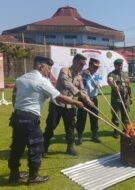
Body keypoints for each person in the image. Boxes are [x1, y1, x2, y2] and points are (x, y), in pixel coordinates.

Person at [8, 56, 84, 184]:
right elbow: (59, 97)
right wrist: (75, 103)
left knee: (17, 147)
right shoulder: (42, 81)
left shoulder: (21, 79)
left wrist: (18, 108)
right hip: (30, 119)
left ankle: (14, 175)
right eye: (48, 68)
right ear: (40, 66)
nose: (49, 71)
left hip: (16, 117)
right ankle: (33, 176)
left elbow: (14, 96)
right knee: (36, 146)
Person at [43, 54, 93, 156]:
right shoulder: (64, 71)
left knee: (70, 127)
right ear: (74, 61)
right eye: (81, 64)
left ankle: (70, 148)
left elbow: (82, 89)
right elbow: (67, 85)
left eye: (84, 64)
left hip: (69, 106)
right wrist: (80, 94)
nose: (82, 66)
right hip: (57, 104)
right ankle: (44, 148)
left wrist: (87, 99)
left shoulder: (79, 76)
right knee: (51, 126)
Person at [76, 58, 102, 144]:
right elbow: (76, 81)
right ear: (90, 65)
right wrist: (83, 75)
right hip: (83, 99)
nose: (96, 68)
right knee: (81, 118)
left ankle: (94, 135)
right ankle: (80, 136)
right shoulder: (82, 72)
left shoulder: (97, 74)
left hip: (94, 99)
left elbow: (100, 83)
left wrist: (98, 84)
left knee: (94, 117)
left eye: (97, 67)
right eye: (95, 67)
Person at [107, 58, 132, 138]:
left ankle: (126, 130)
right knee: (115, 116)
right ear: (115, 65)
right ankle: (116, 131)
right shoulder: (112, 74)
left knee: (126, 116)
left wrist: (130, 97)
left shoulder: (125, 74)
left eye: (121, 65)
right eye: (118, 65)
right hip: (116, 99)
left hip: (125, 99)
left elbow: (128, 86)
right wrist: (115, 86)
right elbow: (110, 81)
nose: (120, 66)